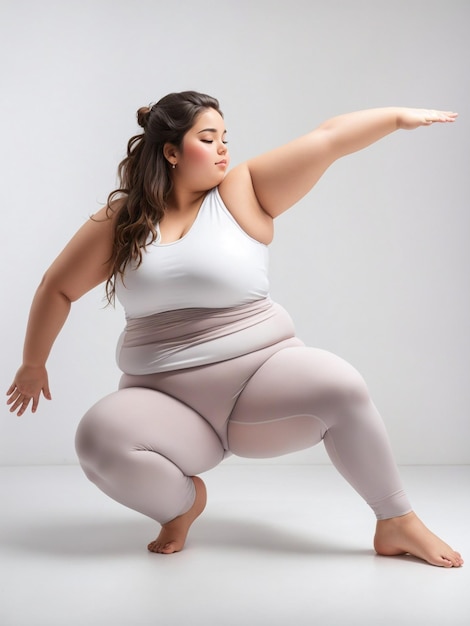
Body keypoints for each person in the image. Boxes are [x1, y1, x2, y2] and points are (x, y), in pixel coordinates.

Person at [6, 91, 463, 568]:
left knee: (340, 384)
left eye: (226, 137)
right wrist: (33, 364)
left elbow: (327, 140)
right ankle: (181, 506)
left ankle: (396, 521)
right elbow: (56, 287)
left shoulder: (240, 191)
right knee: (98, 438)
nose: (224, 148)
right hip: (166, 402)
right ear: (171, 151)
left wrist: (394, 117)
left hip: (261, 381)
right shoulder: (123, 219)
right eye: (209, 138)